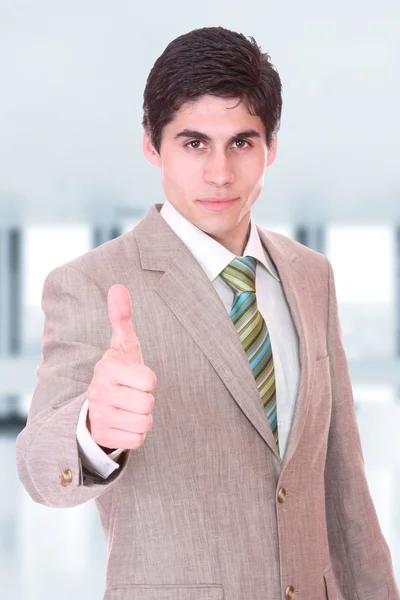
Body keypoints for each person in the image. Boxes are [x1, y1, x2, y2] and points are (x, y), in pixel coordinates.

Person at [16, 25, 399, 600]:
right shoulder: (91, 284)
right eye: (194, 143)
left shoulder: (310, 275)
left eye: (241, 143)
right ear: (152, 145)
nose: (220, 174)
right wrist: (94, 430)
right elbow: (41, 472)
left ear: (271, 146)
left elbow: (342, 482)